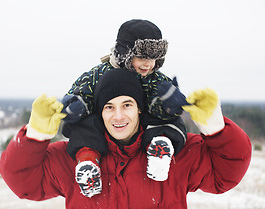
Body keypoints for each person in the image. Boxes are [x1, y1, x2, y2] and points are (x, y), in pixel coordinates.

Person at [0, 68, 251, 209]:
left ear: (140, 109)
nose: (118, 116)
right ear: (100, 113)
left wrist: (216, 128)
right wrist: (36, 133)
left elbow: (226, 173)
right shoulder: (72, 159)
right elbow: (23, 182)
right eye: (109, 107)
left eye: (127, 105)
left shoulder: (174, 154)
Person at [61, 19, 189, 197]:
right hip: (106, 129)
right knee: (85, 125)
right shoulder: (99, 74)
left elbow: (160, 103)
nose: (148, 64)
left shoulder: (154, 78)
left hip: (143, 128)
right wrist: (76, 105)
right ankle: (88, 162)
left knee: (171, 122)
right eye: (142, 57)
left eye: (154, 58)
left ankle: (160, 148)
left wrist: (168, 104)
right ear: (125, 53)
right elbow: (82, 90)